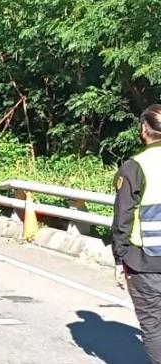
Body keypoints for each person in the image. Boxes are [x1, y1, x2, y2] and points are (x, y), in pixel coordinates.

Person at [113, 104, 161, 363]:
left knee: (154, 325)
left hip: (146, 260)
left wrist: (119, 259)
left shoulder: (134, 167)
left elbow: (123, 217)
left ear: (144, 130)